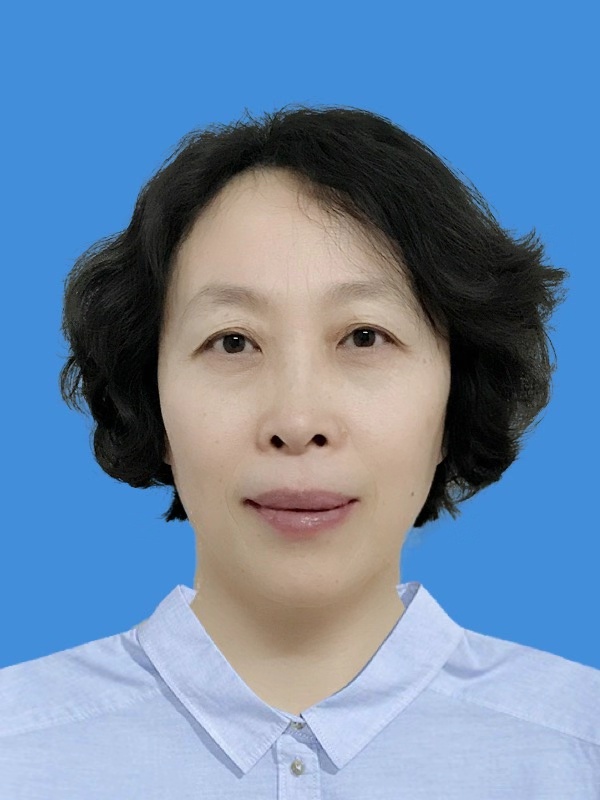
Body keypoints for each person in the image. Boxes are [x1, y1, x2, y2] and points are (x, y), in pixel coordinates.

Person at [1, 104, 598, 796]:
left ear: (454, 395)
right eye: (233, 342)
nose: (296, 420)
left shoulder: (577, 750)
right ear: (151, 401)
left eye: (365, 337)